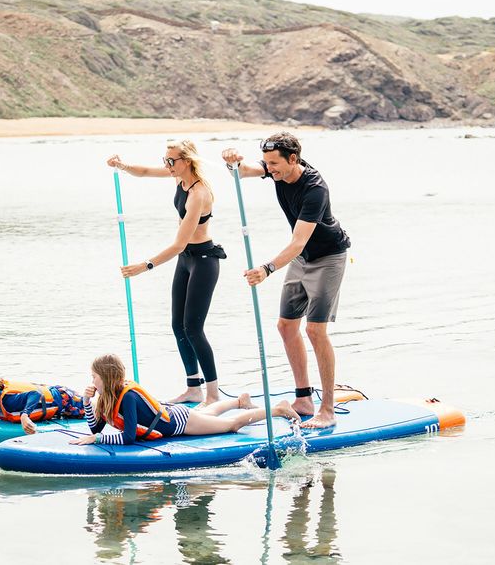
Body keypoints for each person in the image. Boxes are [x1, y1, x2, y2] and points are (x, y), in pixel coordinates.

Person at [221, 132, 350, 429]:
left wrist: (267, 269)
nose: (270, 169)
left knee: (315, 330)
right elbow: (243, 171)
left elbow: (298, 241)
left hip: (328, 258)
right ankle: (303, 398)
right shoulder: (277, 167)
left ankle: (327, 409)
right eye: (267, 163)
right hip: (301, 258)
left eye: (274, 164)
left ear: (293, 159)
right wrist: (232, 162)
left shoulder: (315, 188)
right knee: (286, 326)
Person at [107, 140, 227, 405]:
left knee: (193, 328)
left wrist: (145, 265)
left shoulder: (199, 194)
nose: (167, 165)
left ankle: (213, 394)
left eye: (171, 161)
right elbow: (145, 172)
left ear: (187, 161)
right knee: (177, 325)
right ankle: (193, 388)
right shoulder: (179, 178)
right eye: (166, 160)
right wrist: (122, 165)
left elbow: (179, 243)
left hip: (204, 261)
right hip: (186, 260)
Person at [70, 353, 300, 446]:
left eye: (94, 377)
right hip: (176, 415)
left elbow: (128, 437)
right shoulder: (106, 398)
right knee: (208, 414)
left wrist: (98, 440)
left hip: (180, 422)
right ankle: (239, 401)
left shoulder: (127, 397)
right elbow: (95, 427)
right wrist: (86, 403)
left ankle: (278, 409)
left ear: (107, 378)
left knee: (231, 425)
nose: (92, 381)